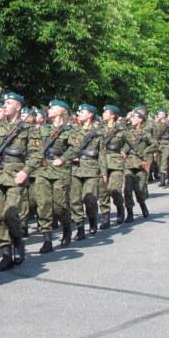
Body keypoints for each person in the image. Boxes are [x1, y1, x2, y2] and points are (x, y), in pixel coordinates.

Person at [0, 92, 40, 271]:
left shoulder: (28, 129)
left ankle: (18, 240)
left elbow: (36, 155)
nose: (4, 105)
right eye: (4, 102)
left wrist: (25, 172)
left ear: (18, 106)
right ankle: (5, 253)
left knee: (9, 214)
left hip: (15, 176)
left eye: (9, 103)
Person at [32, 99, 77, 252]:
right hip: (43, 169)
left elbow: (75, 148)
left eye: (52, 108)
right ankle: (47, 239)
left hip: (60, 170)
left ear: (61, 111)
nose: (49, 110)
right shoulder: (42, 129)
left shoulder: (70, 130)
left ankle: (66, 227)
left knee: (59, 206)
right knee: (43, 203)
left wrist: (63, 159)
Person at [69, 103, 105, 240]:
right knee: (74, 200)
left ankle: (92, 220)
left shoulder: (98, 133)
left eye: (82, 112)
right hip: (75, 168)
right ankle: (79, 227)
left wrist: (104, 172)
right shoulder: (73, 131)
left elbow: (102, 154)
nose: (79, 114)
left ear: (90, 114)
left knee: (89, 199)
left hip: (91, 168)